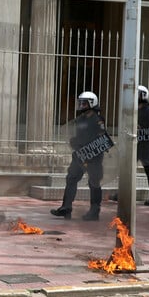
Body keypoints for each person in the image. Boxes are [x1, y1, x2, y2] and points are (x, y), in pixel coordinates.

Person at [51, 91, 107, 221]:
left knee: (94, 182)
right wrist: (74, 141)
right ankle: (66, 208)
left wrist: (90, 147)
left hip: (93, 156)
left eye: (84, 103)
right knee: (71, 178)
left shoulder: (98, 119)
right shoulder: (80, 119)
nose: (81, 105)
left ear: (92, 103)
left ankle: (94, 211)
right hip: (79, 155)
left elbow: (101, 137)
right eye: (80, 102)